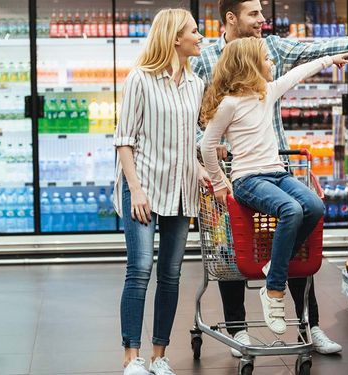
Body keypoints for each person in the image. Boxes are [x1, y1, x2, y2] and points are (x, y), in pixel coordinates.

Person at [191, 0, 348, 356]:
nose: (262, 21)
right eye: (254, 14)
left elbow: (319, 50)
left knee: (297, 237)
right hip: (238, 175)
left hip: (279, 164)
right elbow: (194, 118)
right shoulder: (203, 58)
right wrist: (211, 167)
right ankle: (239, 330)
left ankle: (308, 326)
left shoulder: (273, 49)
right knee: (232, 252)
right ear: (231, 18)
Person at [200, 37, 348, 336]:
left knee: (315, 207)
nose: (272, 64)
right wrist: (219, 181)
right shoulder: (228, 104)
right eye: (267, 59)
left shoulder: (266, 93)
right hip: (248, 179)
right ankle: (274, 289)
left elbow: (298, 74)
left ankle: (273, 265)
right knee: (291, 210)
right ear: (250, 65)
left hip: (277, 174)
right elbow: (207, 145)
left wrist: (329, 60)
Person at [113, 8, 209, 375]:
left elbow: (189, 142)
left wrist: (199, 169)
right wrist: (135, 189)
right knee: (139, 268)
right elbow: (124, 141)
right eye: (195, 32)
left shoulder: (196, 84)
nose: (200, 37)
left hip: (181, 190)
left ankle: (159, 356)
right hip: (144, 187)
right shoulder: (140, 78)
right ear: (174, 38)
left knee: (170, 273)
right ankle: (131, 357)